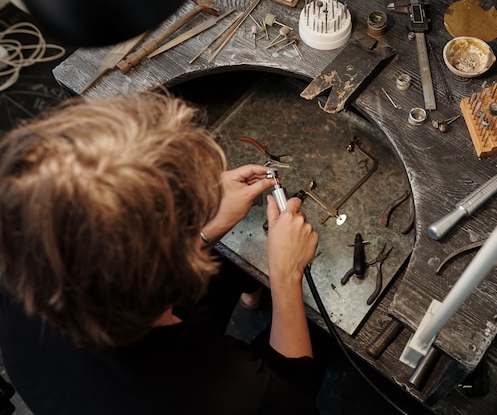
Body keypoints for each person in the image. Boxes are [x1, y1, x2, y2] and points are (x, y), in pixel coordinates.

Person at [0, 91, 322, 414]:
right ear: (177, 274)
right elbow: (295, 398)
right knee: (322, 336)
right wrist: (285, 276)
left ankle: (246, 290)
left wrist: (200, 226)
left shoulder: (30, 252)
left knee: (228, 269)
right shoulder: (230, 394)